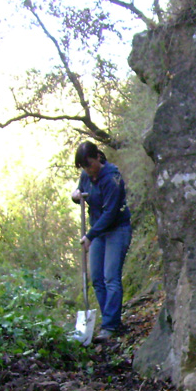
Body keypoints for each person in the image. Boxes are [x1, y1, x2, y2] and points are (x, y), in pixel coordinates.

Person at [71, 141, 132, 343]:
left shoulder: (112, 178)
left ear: (97, 157)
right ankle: (110, 319)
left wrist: (89, 235)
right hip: (98, 231)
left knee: (110, 277)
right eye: (84, 167)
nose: (88, 170)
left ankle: (110, 325)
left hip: (116, 229)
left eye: (89, 164)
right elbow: (81, 191)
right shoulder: (86, 176)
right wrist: (75, 195)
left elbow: (110, 213)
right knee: (96, 277)